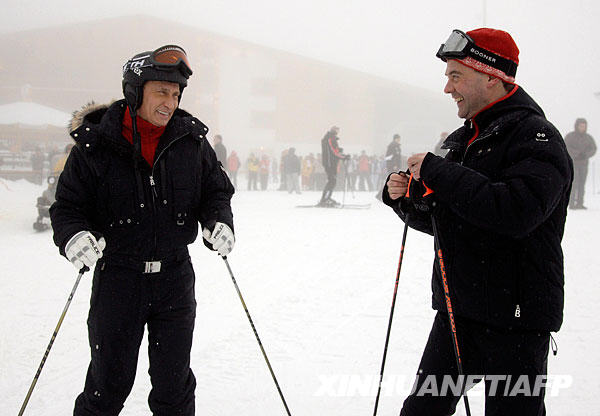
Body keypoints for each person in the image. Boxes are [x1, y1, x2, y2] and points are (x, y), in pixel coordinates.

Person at [383, 28, 572, 416]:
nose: (447, 88)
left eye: (456, 76)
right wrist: (405, 199)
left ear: (492, 77)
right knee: (421, 411)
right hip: (460, 310)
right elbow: (448, 218)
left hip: (516, 318)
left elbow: (516, 213)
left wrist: (440, 174)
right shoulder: (463, 137)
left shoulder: (537, 137)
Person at [50, 44, 235, 415]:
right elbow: (67, 207)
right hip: (119, 279)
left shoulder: (191, 142)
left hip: (174, 279)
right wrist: (74, 236)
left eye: (176, 94)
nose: (170, 102)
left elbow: (217, 190)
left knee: (174, 385)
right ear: (136, 92)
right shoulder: (96, 145)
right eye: (162, 92)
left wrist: (219, 221)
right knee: (107, 386)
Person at [565, 118, 596, 209]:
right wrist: (576, 154)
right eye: (581, 126)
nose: (582, 128)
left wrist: (585, 154)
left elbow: (593, 148)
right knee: (574, 183)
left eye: (584, 126)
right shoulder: (570, 137)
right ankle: (571, 203)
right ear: (577, 126)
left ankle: (580, 203)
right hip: (573, 164)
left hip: (584, 164)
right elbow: (565, 146)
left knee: (582, 184)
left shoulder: (588, 138)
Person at [319, 126, 348, 206]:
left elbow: (335, 150)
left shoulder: (332, 138)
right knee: (332, 181)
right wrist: (343, 156)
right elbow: (333, 151)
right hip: (329, 163)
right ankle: (324, 199)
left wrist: (341, 153)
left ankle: (327, 198)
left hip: (332, 163)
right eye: (336, 131)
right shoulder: (330, 138)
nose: (337, 132)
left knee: (332, 181)